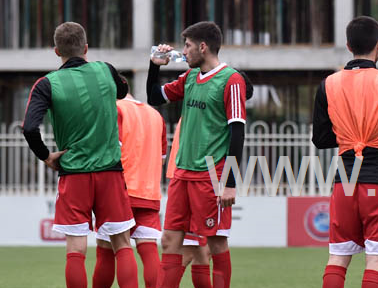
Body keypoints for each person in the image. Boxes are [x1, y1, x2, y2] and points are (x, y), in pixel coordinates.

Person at [22, 22, 138, 288]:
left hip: (74, 175)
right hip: (110, 172)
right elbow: (122, 91)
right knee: (122, 243)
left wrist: (46, 156)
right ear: (86, 48)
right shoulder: (105, 70)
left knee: (76, 249)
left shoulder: (46, 84)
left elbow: (29, 127)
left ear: (56, 51)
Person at [311, 16, 378, 288]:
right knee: (377, 259)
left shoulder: (328, 84)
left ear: (348, 46)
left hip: (344, 181)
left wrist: (350, 137)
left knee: (338, 256)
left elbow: (321, 139)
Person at [146, 21, 247, 288]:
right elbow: (155, 97)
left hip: (210, 177)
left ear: (203, 47)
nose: (184, 51)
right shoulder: (190, 77)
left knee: (215, 243)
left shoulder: (231, 79)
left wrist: (229, 183)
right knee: (169, 242)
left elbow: (237, 133)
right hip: (182, 173)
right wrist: (154, 65)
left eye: (188, 46)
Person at [92, 92, 167, 288]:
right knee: (149, 250)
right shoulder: (155, 115)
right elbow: (162, 158)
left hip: (120, 189)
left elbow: (108, 152)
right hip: (149, 191)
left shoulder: (115, 109)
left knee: (107, 249)